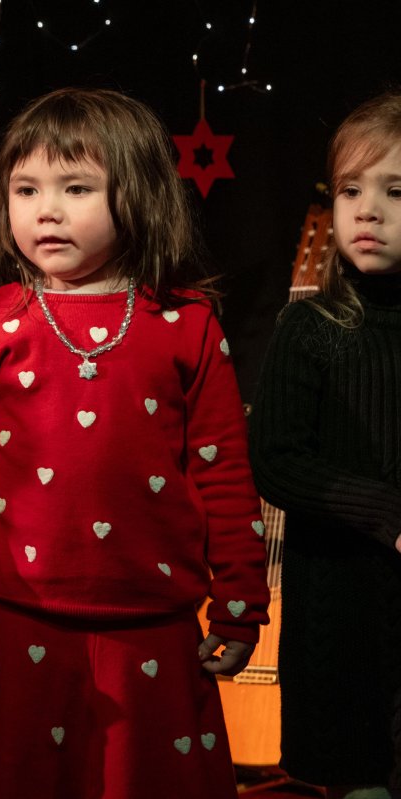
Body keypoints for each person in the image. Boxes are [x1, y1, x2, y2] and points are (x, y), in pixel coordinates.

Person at [0, 87, 271, 799]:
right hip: (20, 621)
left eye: (75, 188)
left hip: (155, 626)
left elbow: (223, 472)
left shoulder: (187, 324)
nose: (45, 210)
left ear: (137, 195)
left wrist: (240, 601)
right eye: (25, 189)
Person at [249, 89, 401, 799]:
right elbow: (277, 460)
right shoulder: (311, 328)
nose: (367, 210)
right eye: (350, 189)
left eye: (396, 191)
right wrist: (386, 513)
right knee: (358, 773)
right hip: (343, 611)